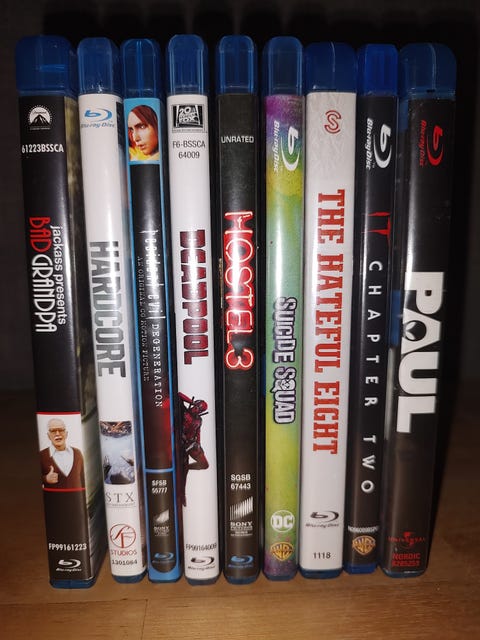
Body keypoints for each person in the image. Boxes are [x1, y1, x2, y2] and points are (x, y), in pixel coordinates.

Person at [40, 418, 85, 489]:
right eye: (53, 431)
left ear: (66, 434)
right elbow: (30, 481)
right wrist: (45, 479)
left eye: (61, 430)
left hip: (76, 496)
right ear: (48, 435)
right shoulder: (42, 455)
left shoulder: (77, 453)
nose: (57, 434)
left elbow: (83, 480)